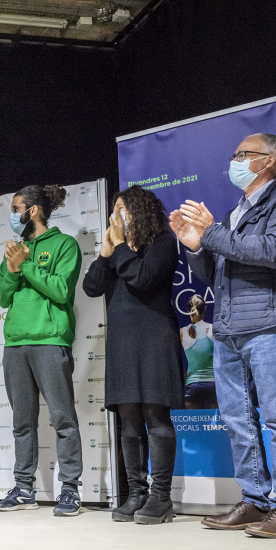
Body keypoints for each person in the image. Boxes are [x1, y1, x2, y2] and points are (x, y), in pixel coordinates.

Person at [170, 132, 276, 539]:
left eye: (242, 154)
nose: (233, 161)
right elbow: (214, 272)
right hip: (229, 327)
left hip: (269, 323)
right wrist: (196, 246)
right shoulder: (236, 211)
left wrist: (212, 232)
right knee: (235, 418)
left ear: (268, 161)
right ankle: (255, 500)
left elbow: (270, 251)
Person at [83, 185, 183, 524]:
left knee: (156, 416)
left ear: (138, 212)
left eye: (121, 210)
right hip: (122, 341)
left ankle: (161, 497)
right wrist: (105, 253)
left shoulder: (162, 242)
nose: (115, 217)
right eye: (114, 211)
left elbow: (143, 278)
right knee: (128, 418)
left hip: (155, 336)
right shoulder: (117, 250)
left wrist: (123, 246)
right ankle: (136, 492)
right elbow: (92, 286)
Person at [0, 184, 84, 516]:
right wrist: (14, 269)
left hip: (50, 341)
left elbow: (61, 291)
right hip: (16, 343)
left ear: (33, 210)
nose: (12, 216)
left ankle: (71, 490)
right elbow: (2, 298)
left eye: (16, 209)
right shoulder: (16, 249)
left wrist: (28, 265)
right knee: (22, 421)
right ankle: (24, 489)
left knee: (63, 418)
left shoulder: (64, 244)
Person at [181, 294, 217, 409]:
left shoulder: (182, 332)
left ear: (188, 311)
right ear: (205, 309)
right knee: (218, 425)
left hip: (193, 383)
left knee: (193, 424)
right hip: (214, 383)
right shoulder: (213, 329)